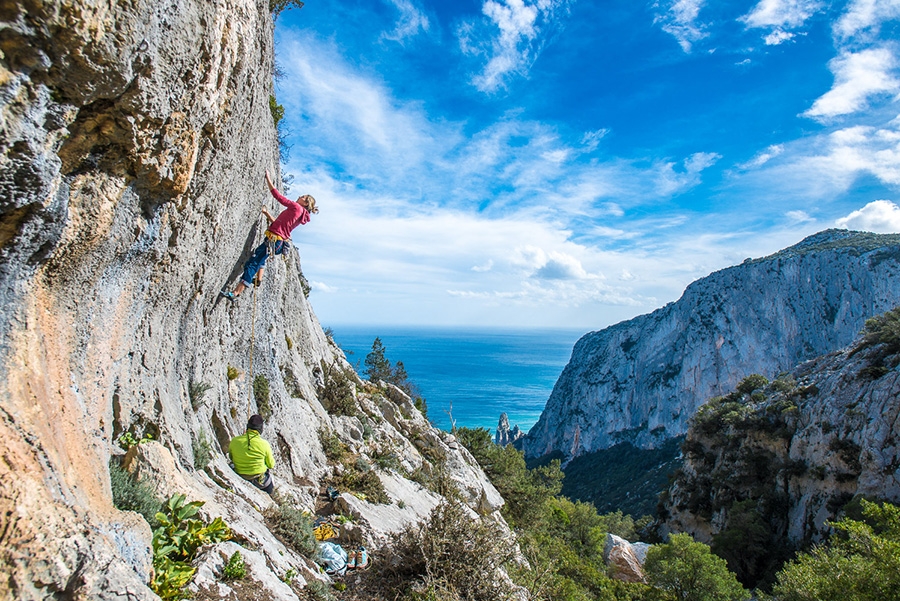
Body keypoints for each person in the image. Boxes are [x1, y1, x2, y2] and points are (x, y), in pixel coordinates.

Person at [221, 170, 318, 301]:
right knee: (261, 258)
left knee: (252, 263)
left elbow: (278, 197)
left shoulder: (296, 207)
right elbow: (279, 225)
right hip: (278, 243)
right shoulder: (301, 216)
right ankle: (259, 279)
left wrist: (268, 179)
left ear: (305, 202)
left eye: (303, 196)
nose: (300, 196)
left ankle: (236, 293)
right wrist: (267, 214)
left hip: (273, 240)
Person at [228, 414, 275, 494]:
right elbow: (271, 465)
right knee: (270, 487)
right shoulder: (264, 444)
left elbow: (231, 457)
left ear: (247, 427)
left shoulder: (235, 441)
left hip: (239, 475)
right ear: (261, 429)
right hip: (259, 480)